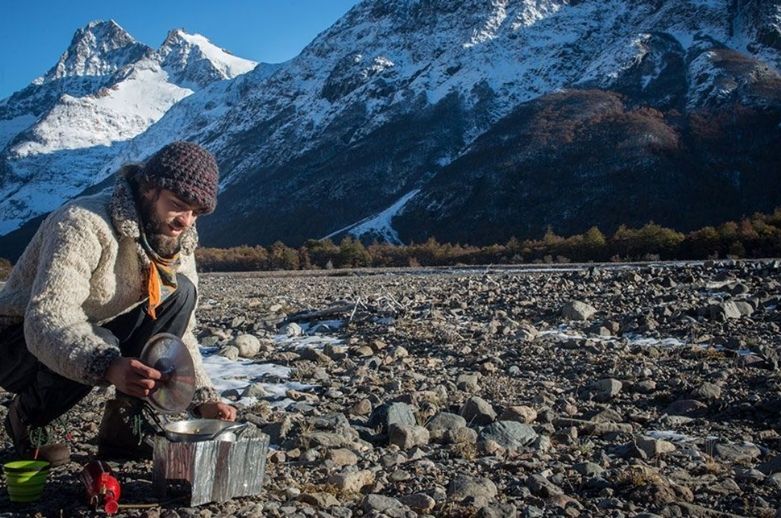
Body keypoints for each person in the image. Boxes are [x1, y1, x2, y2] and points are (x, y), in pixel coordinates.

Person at [0, 141, 236, 463]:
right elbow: (48, 319)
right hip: (18, 342)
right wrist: (108, 365)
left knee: (180, 294)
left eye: (196, 213)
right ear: (149, 188)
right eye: (178, 205)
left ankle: (124, 423)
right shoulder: (82, 222)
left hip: (95, 330)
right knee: (92, 335)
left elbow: (179, 336)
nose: (187, 221)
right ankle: (30, 416)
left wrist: (202, 398)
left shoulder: (176, 241)